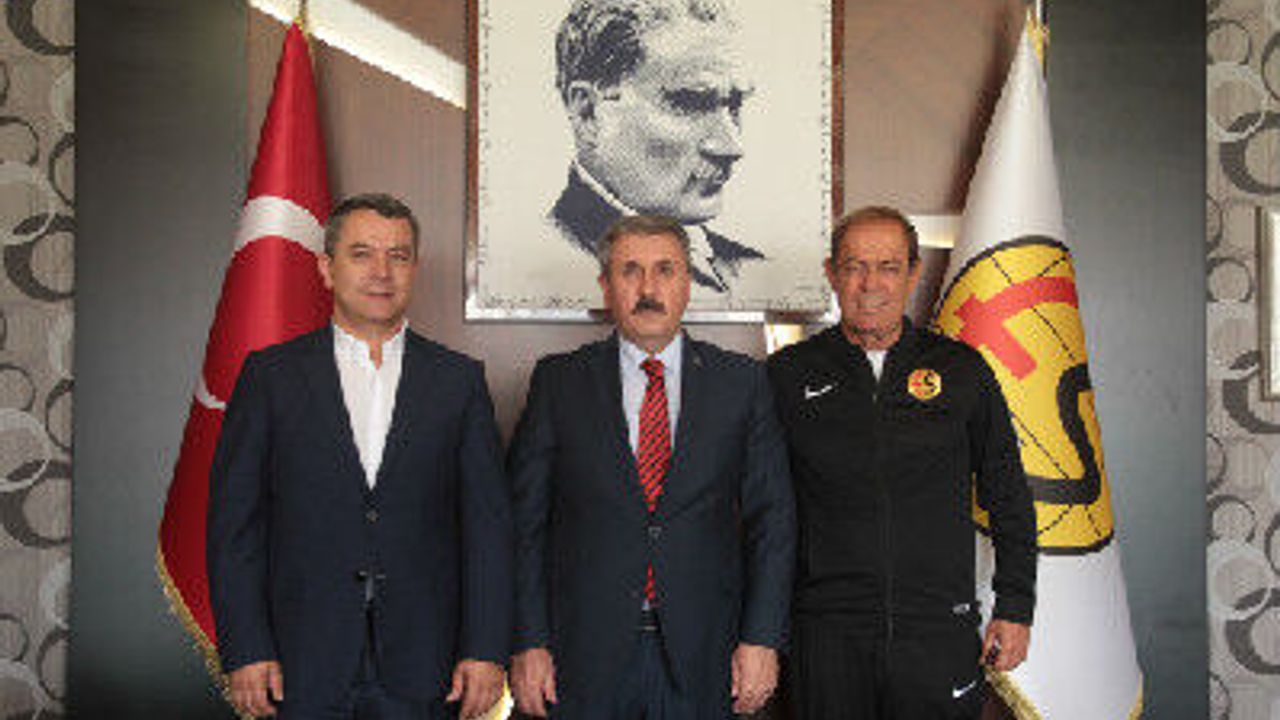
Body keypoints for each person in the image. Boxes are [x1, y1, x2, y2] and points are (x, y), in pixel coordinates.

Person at [207, 193, 513, 719]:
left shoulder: (458, 382)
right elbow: (236, 525)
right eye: (362, 254)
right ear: (327, 269)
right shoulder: (270, 377)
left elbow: (488, 528)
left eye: (398, 256)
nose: (381, 272)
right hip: (297, 661)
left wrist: (485, 649)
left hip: (428, 664)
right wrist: (246, 646)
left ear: (414, 270)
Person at [507, 214, 795, 718]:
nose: (648, 288)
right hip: (581, 655)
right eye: (630, 271)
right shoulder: (560, 383)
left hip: (707, 653)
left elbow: (772, 520)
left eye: (665, 270)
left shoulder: (741, 383)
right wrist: (527, 640)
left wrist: (762, 637)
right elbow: (523, 525)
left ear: (688, 282)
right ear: (605, 285)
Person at [766, 206, 1037, 719]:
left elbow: (1007, 492)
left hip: (938, 633)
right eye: (854, 266)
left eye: (888, 267)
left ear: (913, 274)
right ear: (831, 274)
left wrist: (1016, 606)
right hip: (825, 638)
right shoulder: (786, 375)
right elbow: (761, 511)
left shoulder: (962, 371)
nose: (871, 284)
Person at [549, 0, 765, 294]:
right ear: (588, 113)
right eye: (691, 102)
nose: (732, 146)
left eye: (734, 105)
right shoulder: (554, 259)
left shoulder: (748, 267)